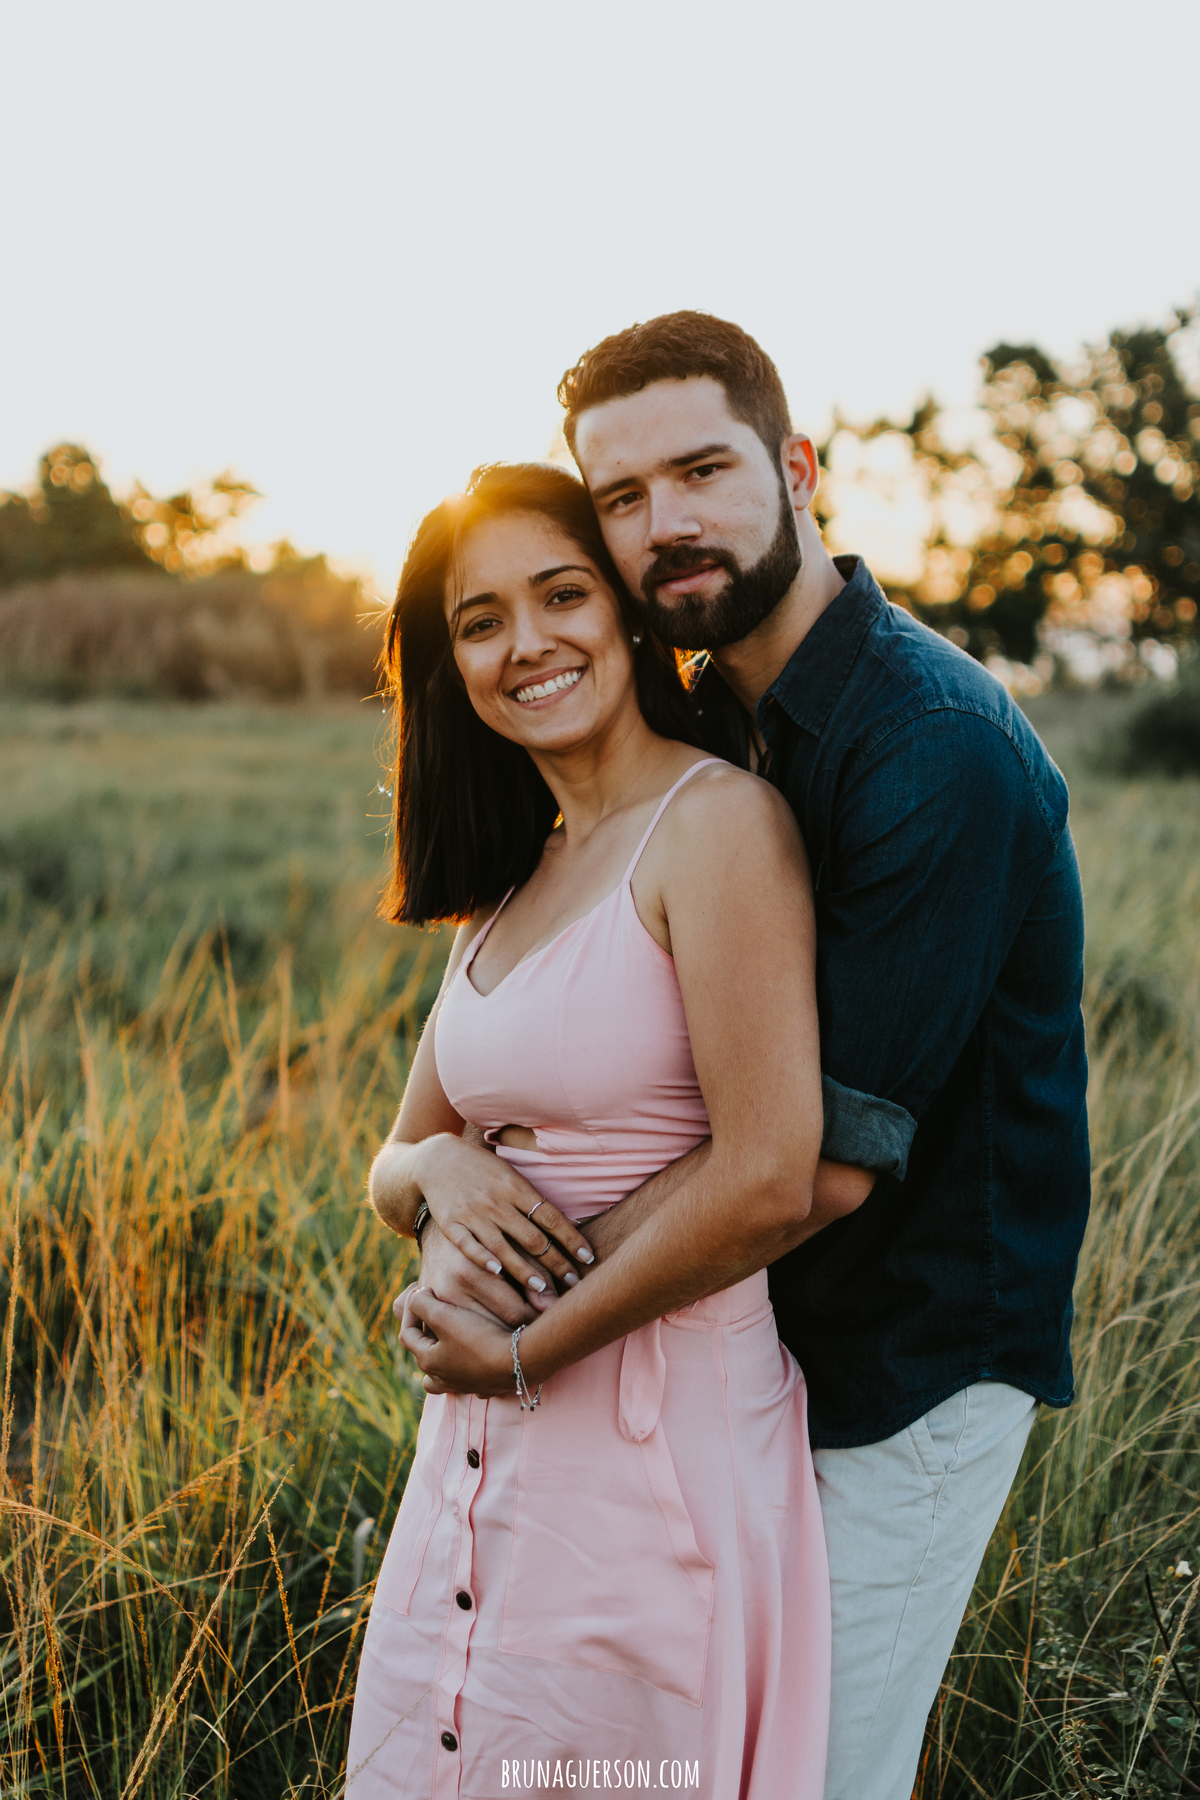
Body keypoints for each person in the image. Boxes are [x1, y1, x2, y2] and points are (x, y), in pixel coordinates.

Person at [404, 315, 1091, 1800]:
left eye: (703, 470)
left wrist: (524, 1311)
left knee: (820, 1767)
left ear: (798, 468)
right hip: (740, 1349)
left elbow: (814, 1170)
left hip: (906, 1359)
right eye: (626, 499)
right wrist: (439, 1163)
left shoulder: (932, 742)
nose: (669, 526)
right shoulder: (714, 718)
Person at [347, 463, 869, 1798]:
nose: (526, 644)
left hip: (650, 1448)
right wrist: (445, 1165)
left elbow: (766, 1176)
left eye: (561, 594)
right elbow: (392, 1162)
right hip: (471, 1457)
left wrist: (519, 1352)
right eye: (479, 621)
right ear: (445, 661)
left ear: (629, 613)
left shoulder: (718, 832)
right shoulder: (513, 877)